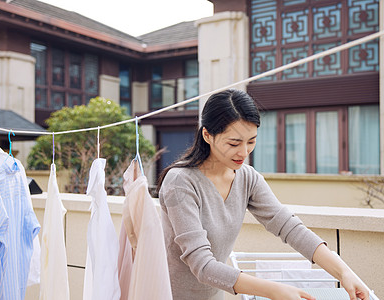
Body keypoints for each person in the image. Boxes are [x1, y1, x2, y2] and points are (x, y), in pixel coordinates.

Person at [157, 89, 369, 300]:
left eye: (251, 141)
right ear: (207, 135)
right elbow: (202, 265)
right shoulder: (180, 182)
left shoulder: (247, 178)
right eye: (234, 143)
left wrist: (344, 272)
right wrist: (275, 290)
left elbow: (288, 226)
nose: (244, 152)